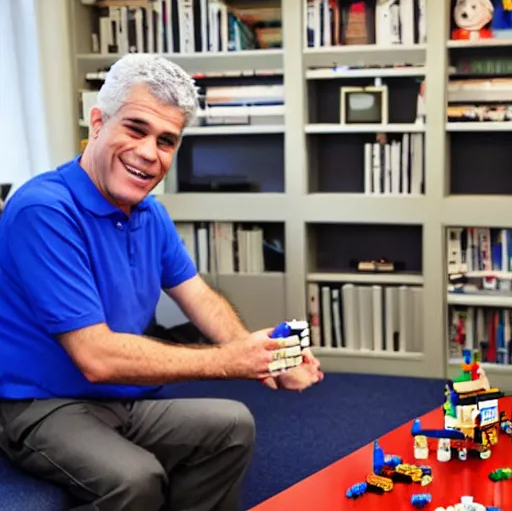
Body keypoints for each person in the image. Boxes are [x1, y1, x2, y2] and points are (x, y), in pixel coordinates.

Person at [0, 53, 323, 511]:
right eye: (135, 129)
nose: (150, 153)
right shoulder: (45, 211)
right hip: (43, 405)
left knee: (233, 426)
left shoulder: (150, 213)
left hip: (124, 401)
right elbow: (96, 357)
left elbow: (200, 298)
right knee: (136, 479)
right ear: (97, 123)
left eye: (166, 140)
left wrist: (266, 356)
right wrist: (231, 361)